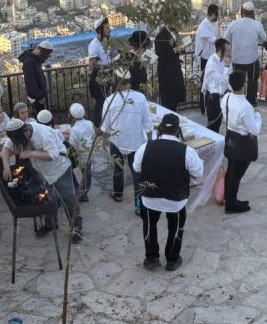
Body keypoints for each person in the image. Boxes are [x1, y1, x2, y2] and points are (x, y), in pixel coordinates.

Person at [133, 113, 204, 271]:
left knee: (150, 225)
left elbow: (137, 168)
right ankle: (172, 259)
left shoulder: (146, 147)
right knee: (176, 226)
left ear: (160, 129)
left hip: (150, 197)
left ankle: (151, 258)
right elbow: (198, 173)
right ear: (178, 130)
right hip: (176, 199)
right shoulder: (187, 151)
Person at [2, 117, 83, 243]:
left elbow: (53, 154)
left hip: (59, 169)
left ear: (26, 131)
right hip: (43, 172)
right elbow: (6, 149)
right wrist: (6, 167)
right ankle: (50, 225)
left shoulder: (43, 134)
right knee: (48, 198)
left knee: (69, 199)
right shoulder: (17, 133)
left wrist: (32, 153)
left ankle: (77, 229)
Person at [100, 70, 153, 203]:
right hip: (136, 141)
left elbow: (105, 125)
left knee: (117, 168)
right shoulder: (140, 97)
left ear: (116, 81)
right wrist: (150, 141)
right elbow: (147, 122)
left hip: (116, 141)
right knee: (136, 170)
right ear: (128, 81)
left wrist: (104, 139)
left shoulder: (109, 100)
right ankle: (139, 202)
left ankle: (118, 194)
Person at [221, 70, 262, 214]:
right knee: (236, 175)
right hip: (242, 142)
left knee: (231, 171)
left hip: (231, 137)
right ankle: (230, 205)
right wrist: (258, 116)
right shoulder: (245, 106)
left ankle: (229, 199)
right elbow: (255, 130)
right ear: (243, 85)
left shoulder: (226, 98)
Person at [226, 1, 267, 106]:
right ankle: (251, 101)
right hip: (251, 59)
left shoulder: (233, 24)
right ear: (252, 12)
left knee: (238, 81)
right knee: (252, 81)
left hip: (237, 58)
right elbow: (264, 39)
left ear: (241, 12)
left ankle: (237, 101)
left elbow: (226, 40)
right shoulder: (257, 25)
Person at [88, 17, 116, 125]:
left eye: (109, 27)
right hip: (99, 76)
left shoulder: (106, 41)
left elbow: (114, 54)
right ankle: (98, 127)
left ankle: (106, 125)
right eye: (107, 28)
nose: (110, 30)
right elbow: (92, 66)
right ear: (100, 30)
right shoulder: (94, 45)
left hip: (108, 74)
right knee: (100, 103)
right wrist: (107, 66)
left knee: (108, 101)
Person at [201, 37, 231, 133]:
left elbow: (229, 76)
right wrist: (227, 66)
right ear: (220, 50)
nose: (229, 52)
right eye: (227, 50)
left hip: (222, 95)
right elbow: (222, 80)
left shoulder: (224, 59)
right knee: (213, 125)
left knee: (218, 124)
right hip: (213, 98)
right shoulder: (212, 63)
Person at [195, 4, 220, 114]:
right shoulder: (205, 26)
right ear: (214, 14)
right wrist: (219, 26)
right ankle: (204, 107)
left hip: (210, 58)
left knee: (211, 83)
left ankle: (208, 106)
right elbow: (217, 41)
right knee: (205, 83)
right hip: (205, 59)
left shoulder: (210, 24)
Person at [154, 25, 186, 111]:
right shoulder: (160, 36)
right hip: (166, 73)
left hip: (175, 70)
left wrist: (182, 48)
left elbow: (179, 47)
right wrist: (175, 50)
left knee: (175, 100)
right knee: (168, 102)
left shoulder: (175, 33)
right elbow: (160, 55)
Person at [68, 102, 95, 201]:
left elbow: (72, 144)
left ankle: (78, 189)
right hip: (89, 151)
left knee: (68, 169)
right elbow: (92, 135)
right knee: (87, 173)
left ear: (72, 116)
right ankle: (85, 191)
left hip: (79, 154)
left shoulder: (74, 129)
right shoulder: (89, 123)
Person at [20, 40, 53, 114]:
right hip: (36, 98)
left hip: (39, 95)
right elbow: (31, 82)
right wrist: (39, 97)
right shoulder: (29, 62)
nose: (46, 58)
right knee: (40, 117)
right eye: (46, 55)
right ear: (43, 53)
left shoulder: (35, 59)